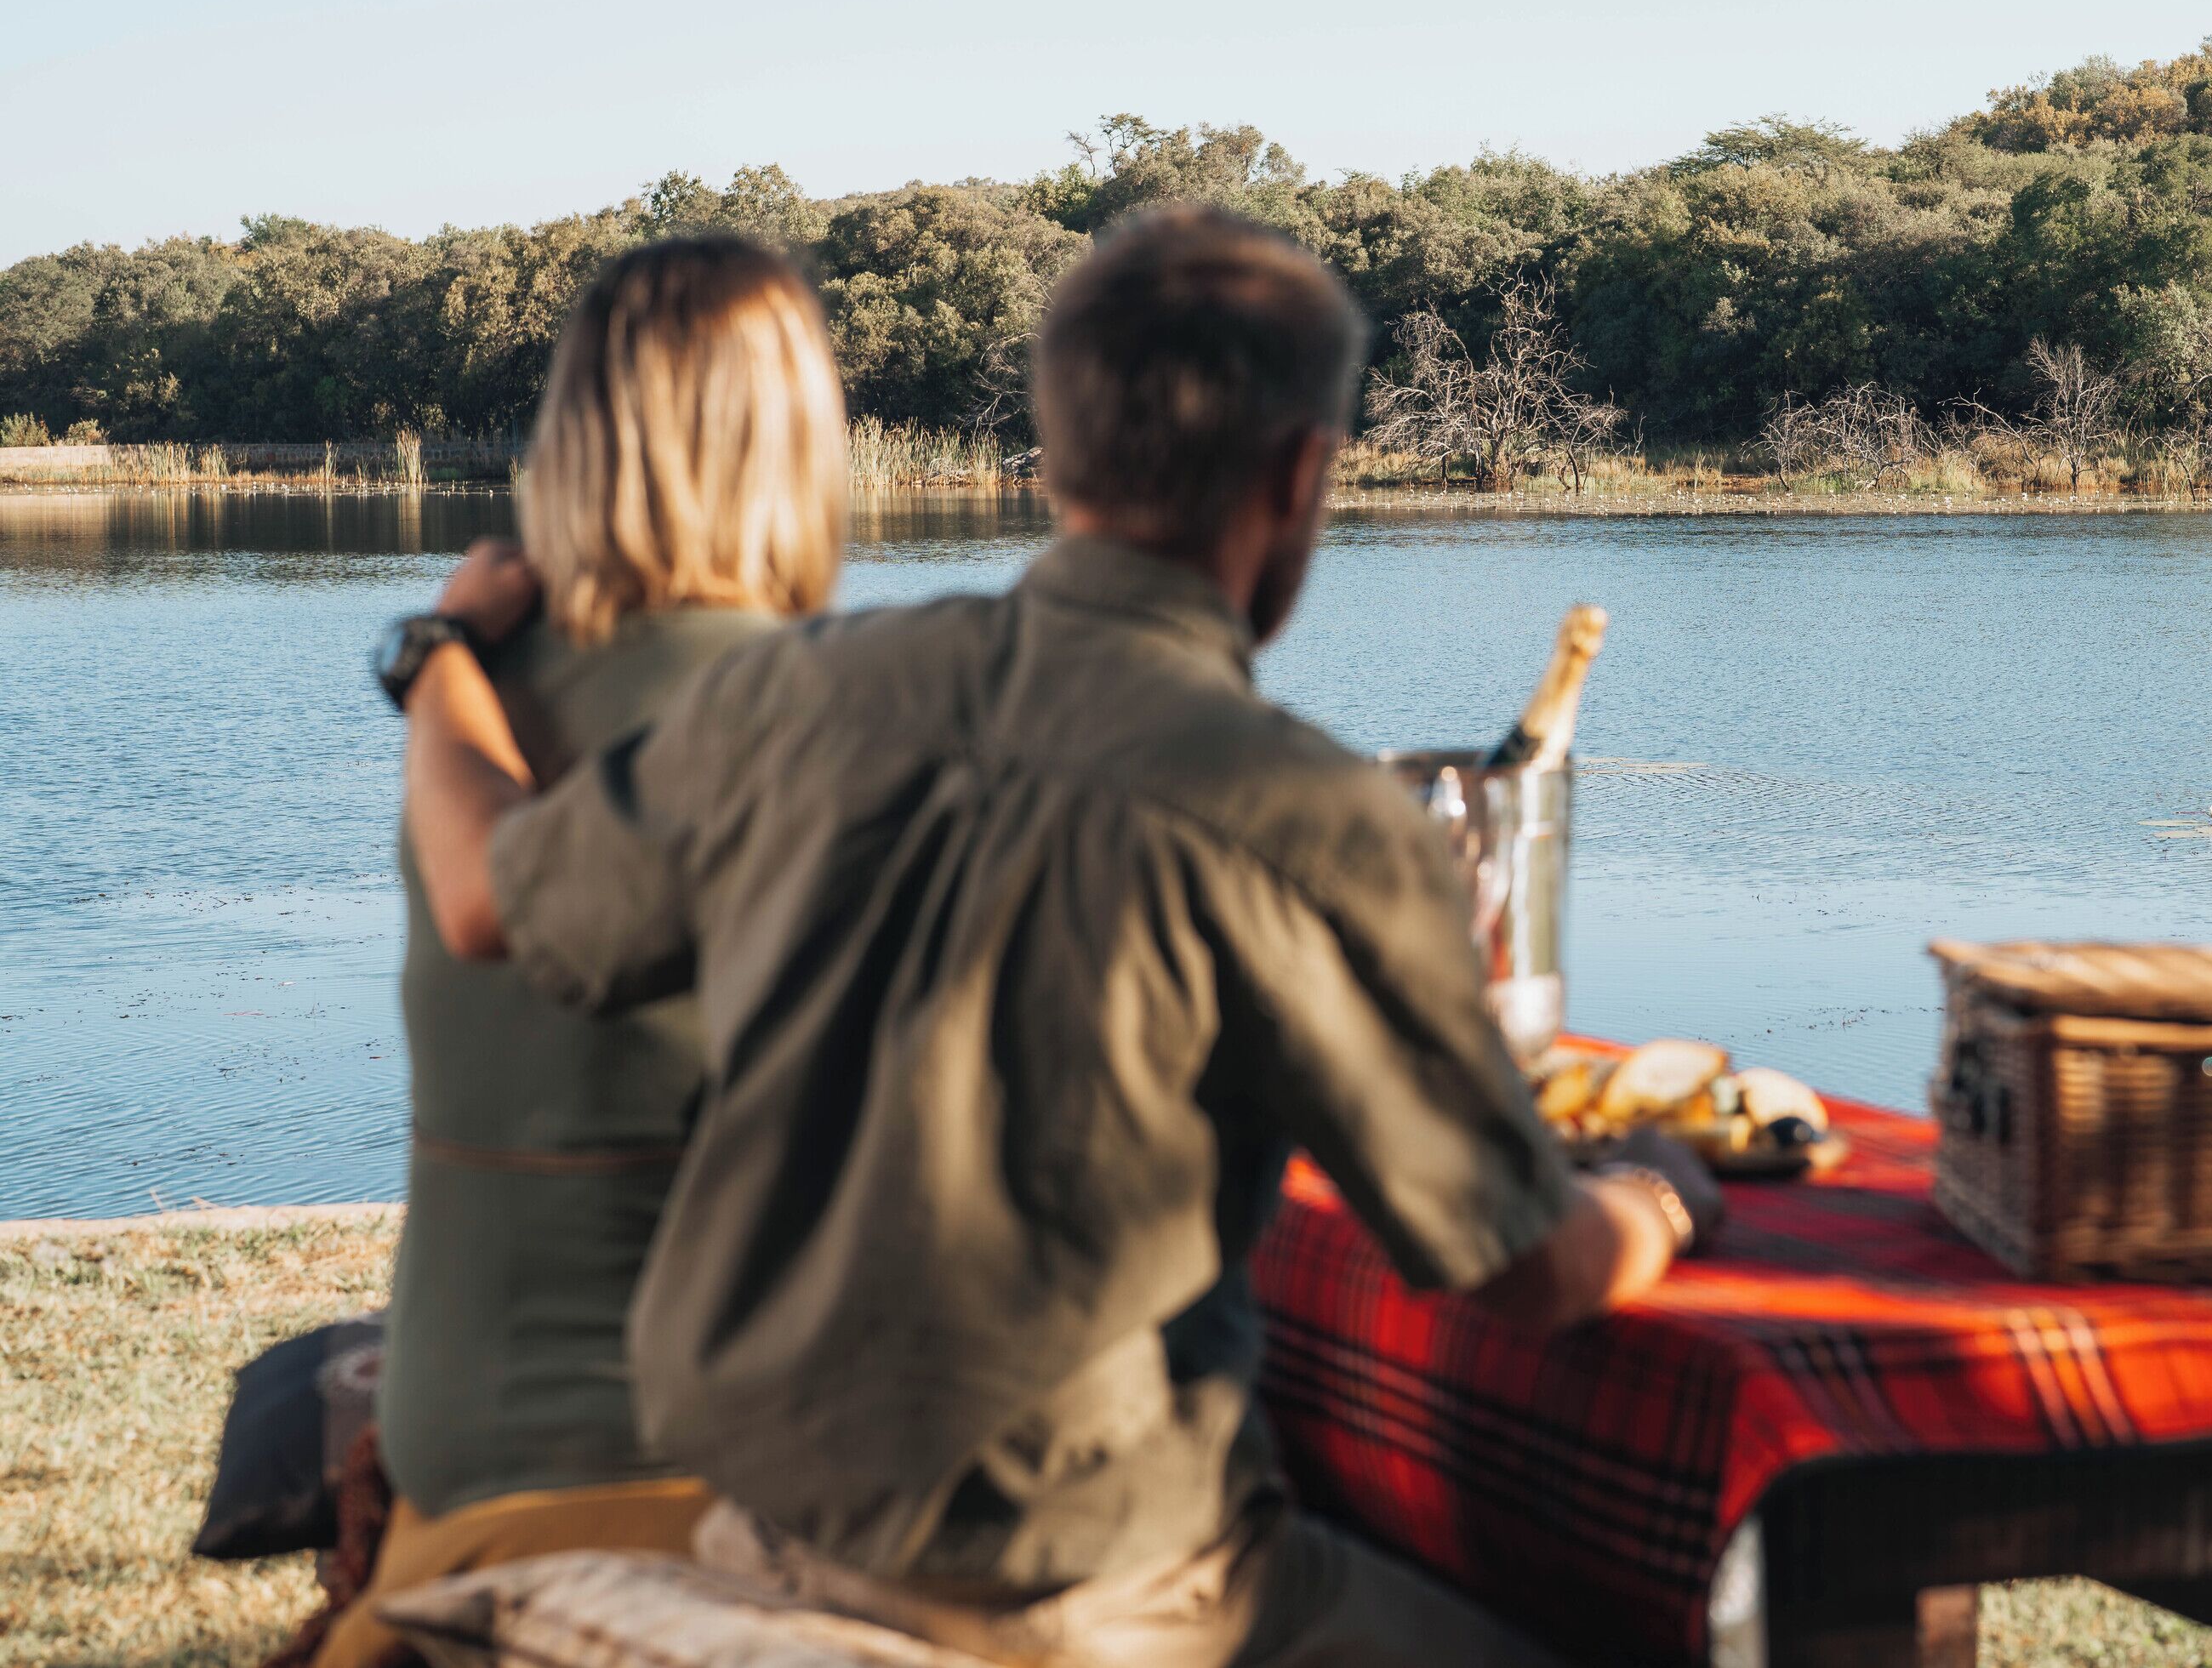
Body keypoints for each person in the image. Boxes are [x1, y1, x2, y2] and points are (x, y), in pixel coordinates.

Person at [395, 205, 1718, 1668]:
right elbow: (1519, 1264)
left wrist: (438, 651)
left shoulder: (805, 695)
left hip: (766, 1522)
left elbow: (501, 889)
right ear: (1300, 475)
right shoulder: (1306, 816)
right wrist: (1658, 1202)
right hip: (1088, 1582)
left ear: (1054, 447)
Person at [323, 236, 850, 1668]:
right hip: (703, 1488)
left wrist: (437, 646)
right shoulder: (804, 706)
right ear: (795, 434)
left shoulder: (476, 701)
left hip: (452, 1443)